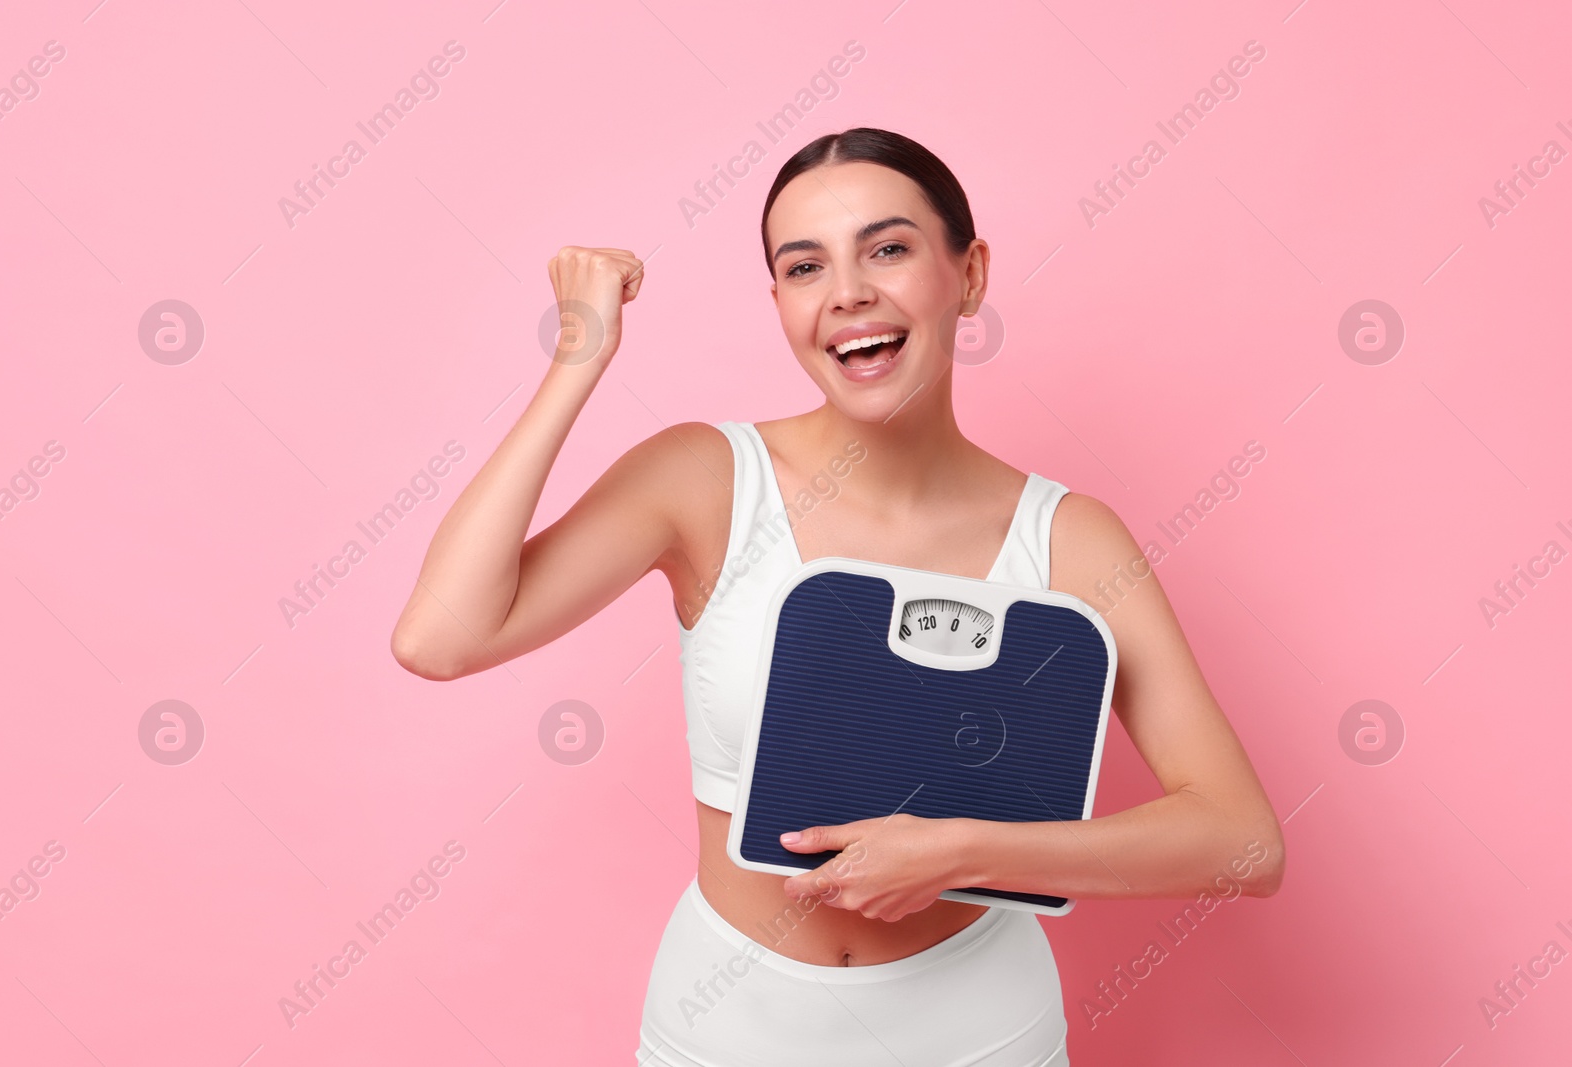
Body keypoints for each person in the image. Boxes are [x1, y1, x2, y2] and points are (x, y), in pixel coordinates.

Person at [390, 127, 1286, 1066]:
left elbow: (1242, 841)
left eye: (888, 248)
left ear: (969, 274)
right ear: (778, 301)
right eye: (805, 266)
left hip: (982, 1033)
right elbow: (440, 637)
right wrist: (579, 357)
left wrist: (967, 851)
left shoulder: (1069, 540)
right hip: (725, 1027)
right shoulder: (707, 480)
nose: (848, 292)